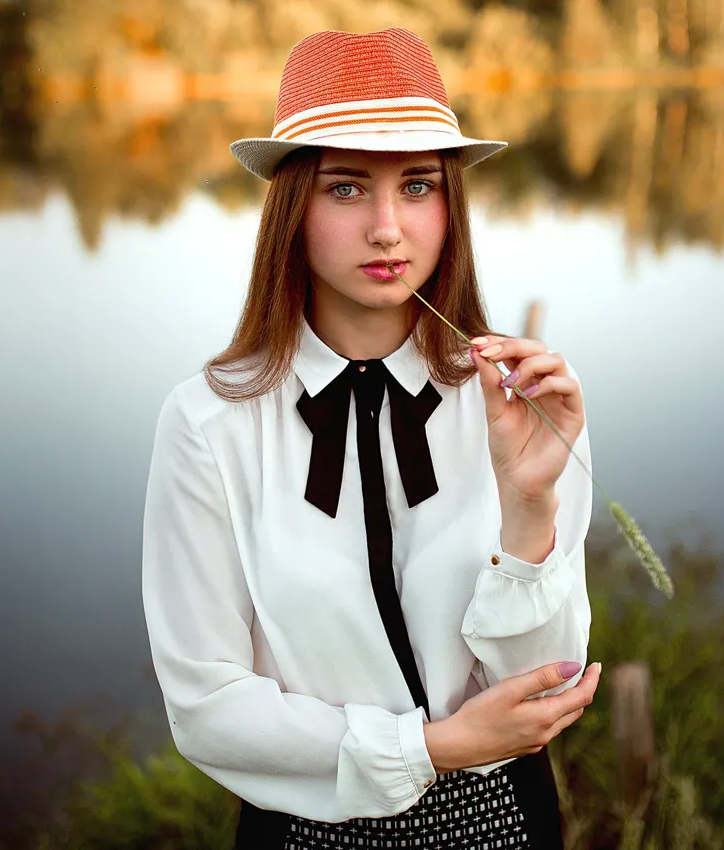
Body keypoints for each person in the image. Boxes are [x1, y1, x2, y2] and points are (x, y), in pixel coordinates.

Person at [142, 27, 602, 849]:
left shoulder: (519, 397)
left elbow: (544, 689)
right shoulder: (209, 424)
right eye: (348, 189)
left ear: (450, 203)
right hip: (311, 830)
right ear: (293, 206)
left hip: (500, 823)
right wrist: (427, 749)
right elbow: (206, 706)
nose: (389, 229)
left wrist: (529, 509)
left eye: (418, 186)